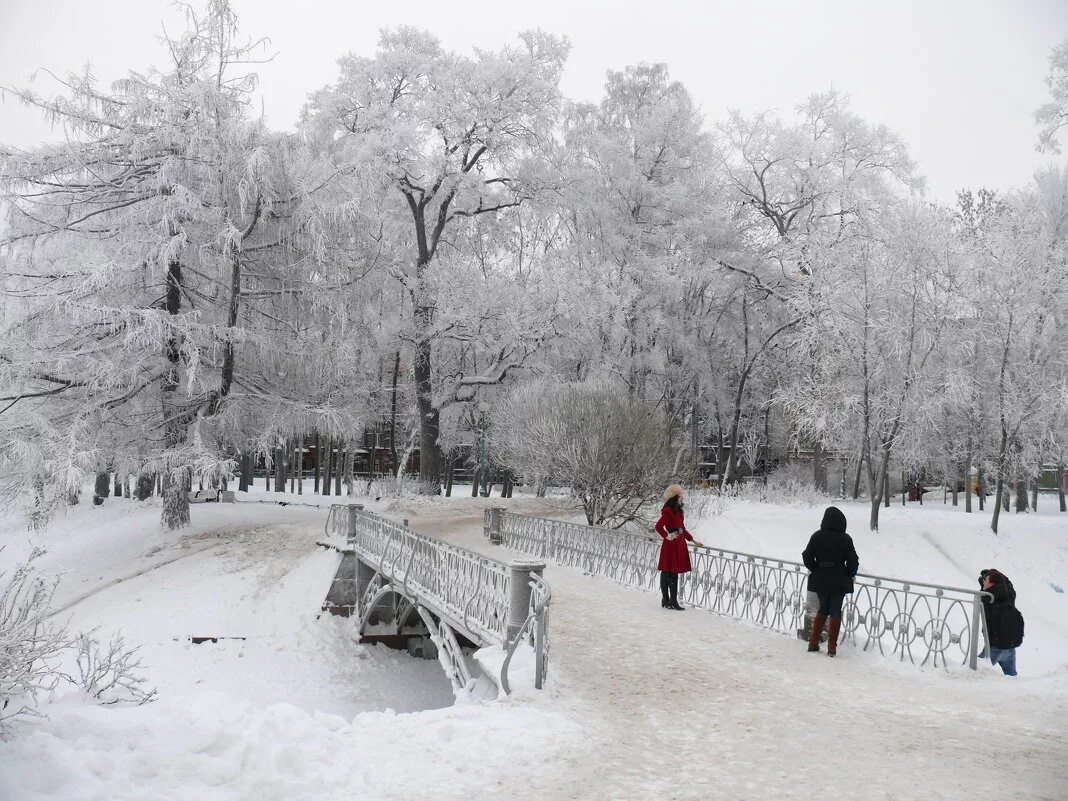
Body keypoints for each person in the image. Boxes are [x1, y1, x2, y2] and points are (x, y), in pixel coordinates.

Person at [801, 506, 859, 657]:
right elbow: (853, 561)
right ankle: (832, 648)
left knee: (823, 609)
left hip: (820, 579)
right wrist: (849, 574)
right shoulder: (845, 538)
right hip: (839, 579)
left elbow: (807, 556)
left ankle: (813, 643)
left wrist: (816, 568)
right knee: (835, 611)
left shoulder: (817, 536)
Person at [655, 485, 704, 610]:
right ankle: (667, 600)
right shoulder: (668, 511)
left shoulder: (678, 511)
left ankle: (671, 600)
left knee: (673, 572)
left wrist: (694, 541)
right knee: (667, 572)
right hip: (671, 545)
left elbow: (683, 529)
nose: (683, 498)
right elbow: (659, 526)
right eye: (681, 496)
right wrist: (667, 536)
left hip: (679, 543)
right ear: (675, 497)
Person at [979, 568, 1024, 677]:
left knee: (974, 672)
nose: (983, 581)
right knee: (1012, 677)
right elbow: (1008, 584)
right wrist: (994, 573)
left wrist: (983, 585)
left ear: (992, 583)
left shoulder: (988, 597)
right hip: (1010, 647)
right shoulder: (1009, 595)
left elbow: (982, 595)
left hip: (994, 648)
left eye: (986, 580)